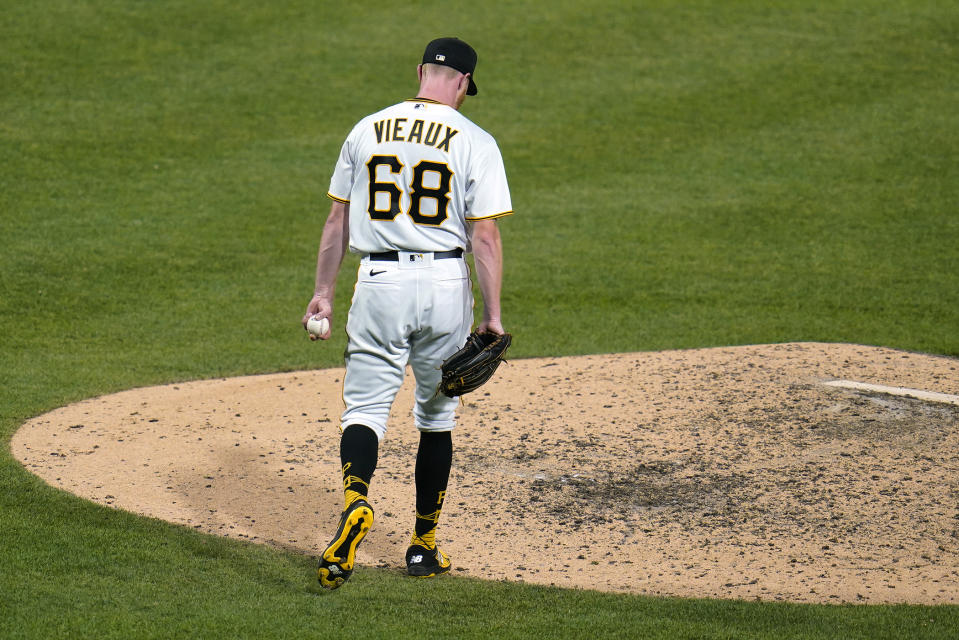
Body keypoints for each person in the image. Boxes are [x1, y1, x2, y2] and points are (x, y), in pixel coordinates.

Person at [302, 37, 512, 590]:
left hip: (379, 280)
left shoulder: (366, 128)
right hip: (445, 284)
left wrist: (323, 292)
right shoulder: (476, 139)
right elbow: (484, 237)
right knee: (437, 417)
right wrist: (492, 317)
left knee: (365, 409)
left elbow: (336, 222)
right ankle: (422, 546)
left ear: (420, 71)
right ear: (464, 83)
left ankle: (356, 503)